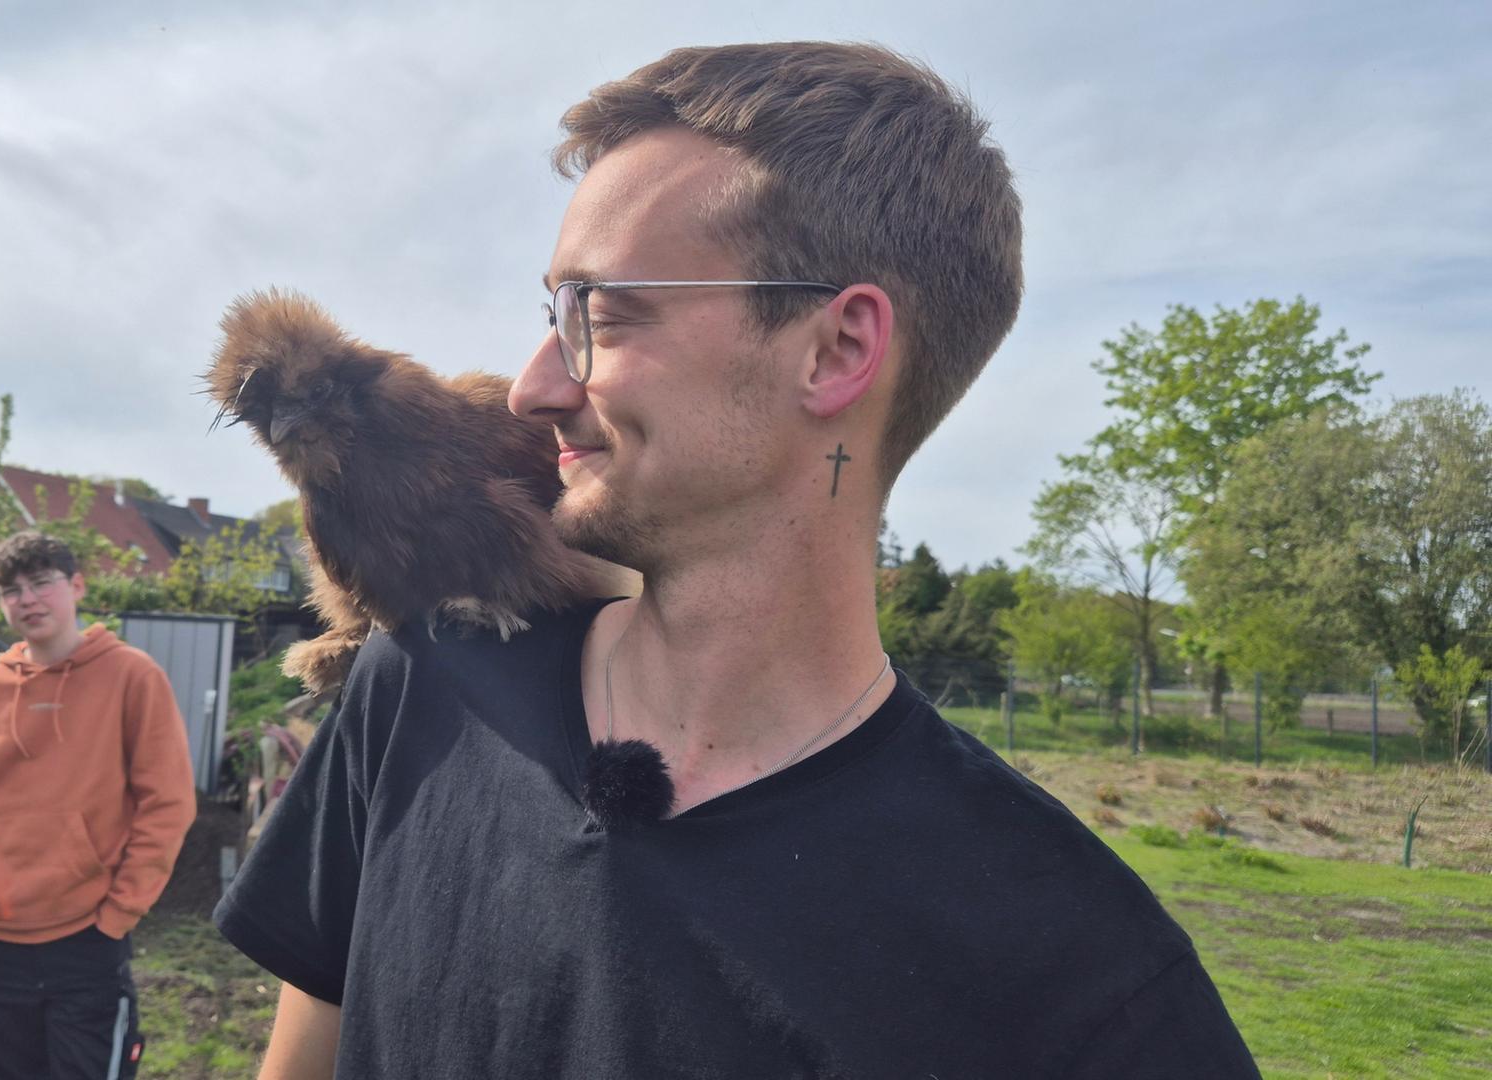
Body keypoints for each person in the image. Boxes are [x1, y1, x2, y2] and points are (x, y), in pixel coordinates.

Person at [215, 41, 1260, 1078]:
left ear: (837, 349)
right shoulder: (413, 699)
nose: (533, 386)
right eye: (552, 314)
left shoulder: (1082, 986)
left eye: (605, 313)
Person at [0, 531, 196, 1079]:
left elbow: (167, 805)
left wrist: (117, 915)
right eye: (11, 590)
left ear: (75, 586)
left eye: (41, 583)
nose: (28, 600)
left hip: (85, 941)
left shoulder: (132, 677)